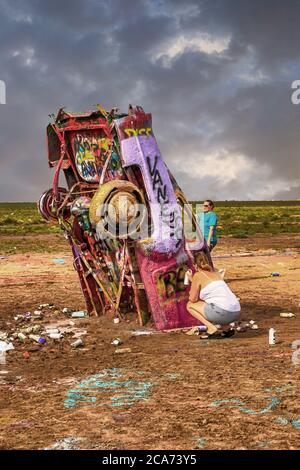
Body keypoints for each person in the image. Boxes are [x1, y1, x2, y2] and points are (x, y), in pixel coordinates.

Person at [186, 252, 241, 339]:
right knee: (216, 303)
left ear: (195, 265)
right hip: (236, 311)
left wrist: (191, 281)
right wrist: (193, 280)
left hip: (223, 312)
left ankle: (211, 327)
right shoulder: (215, 273)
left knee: (190, 305)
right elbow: (208, 288)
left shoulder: (198, 275)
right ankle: (227, 328)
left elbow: (192, 299)